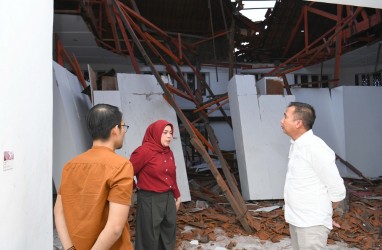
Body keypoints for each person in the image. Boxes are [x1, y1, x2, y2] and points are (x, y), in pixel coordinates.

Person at [54, 104, 134, 250]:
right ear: (115, 130)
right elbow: (115, 228)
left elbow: (58, 212)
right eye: (124, 127)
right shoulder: (122, 166)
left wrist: (70, 248)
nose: (124, 132)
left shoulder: (70, 166)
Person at [280, 102, 346, 250]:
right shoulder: (297, 145)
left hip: (311, 224)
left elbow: (337, 188)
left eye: (285, 117)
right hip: (297, 220)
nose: (281, 120)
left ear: (298, 123)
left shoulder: (315, 147)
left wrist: (323, 214)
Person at [130, 120, 181, 250]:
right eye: (165, 133)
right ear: (155, 133)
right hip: (150, 199)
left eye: (170, 133)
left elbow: (172, 175)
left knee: (168, 233)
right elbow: (126, 173)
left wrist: (177, 195)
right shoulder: (143, 152)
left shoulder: (168, 152)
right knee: (149, 237)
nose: (169, 136)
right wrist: (134, 187)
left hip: (168, 197)